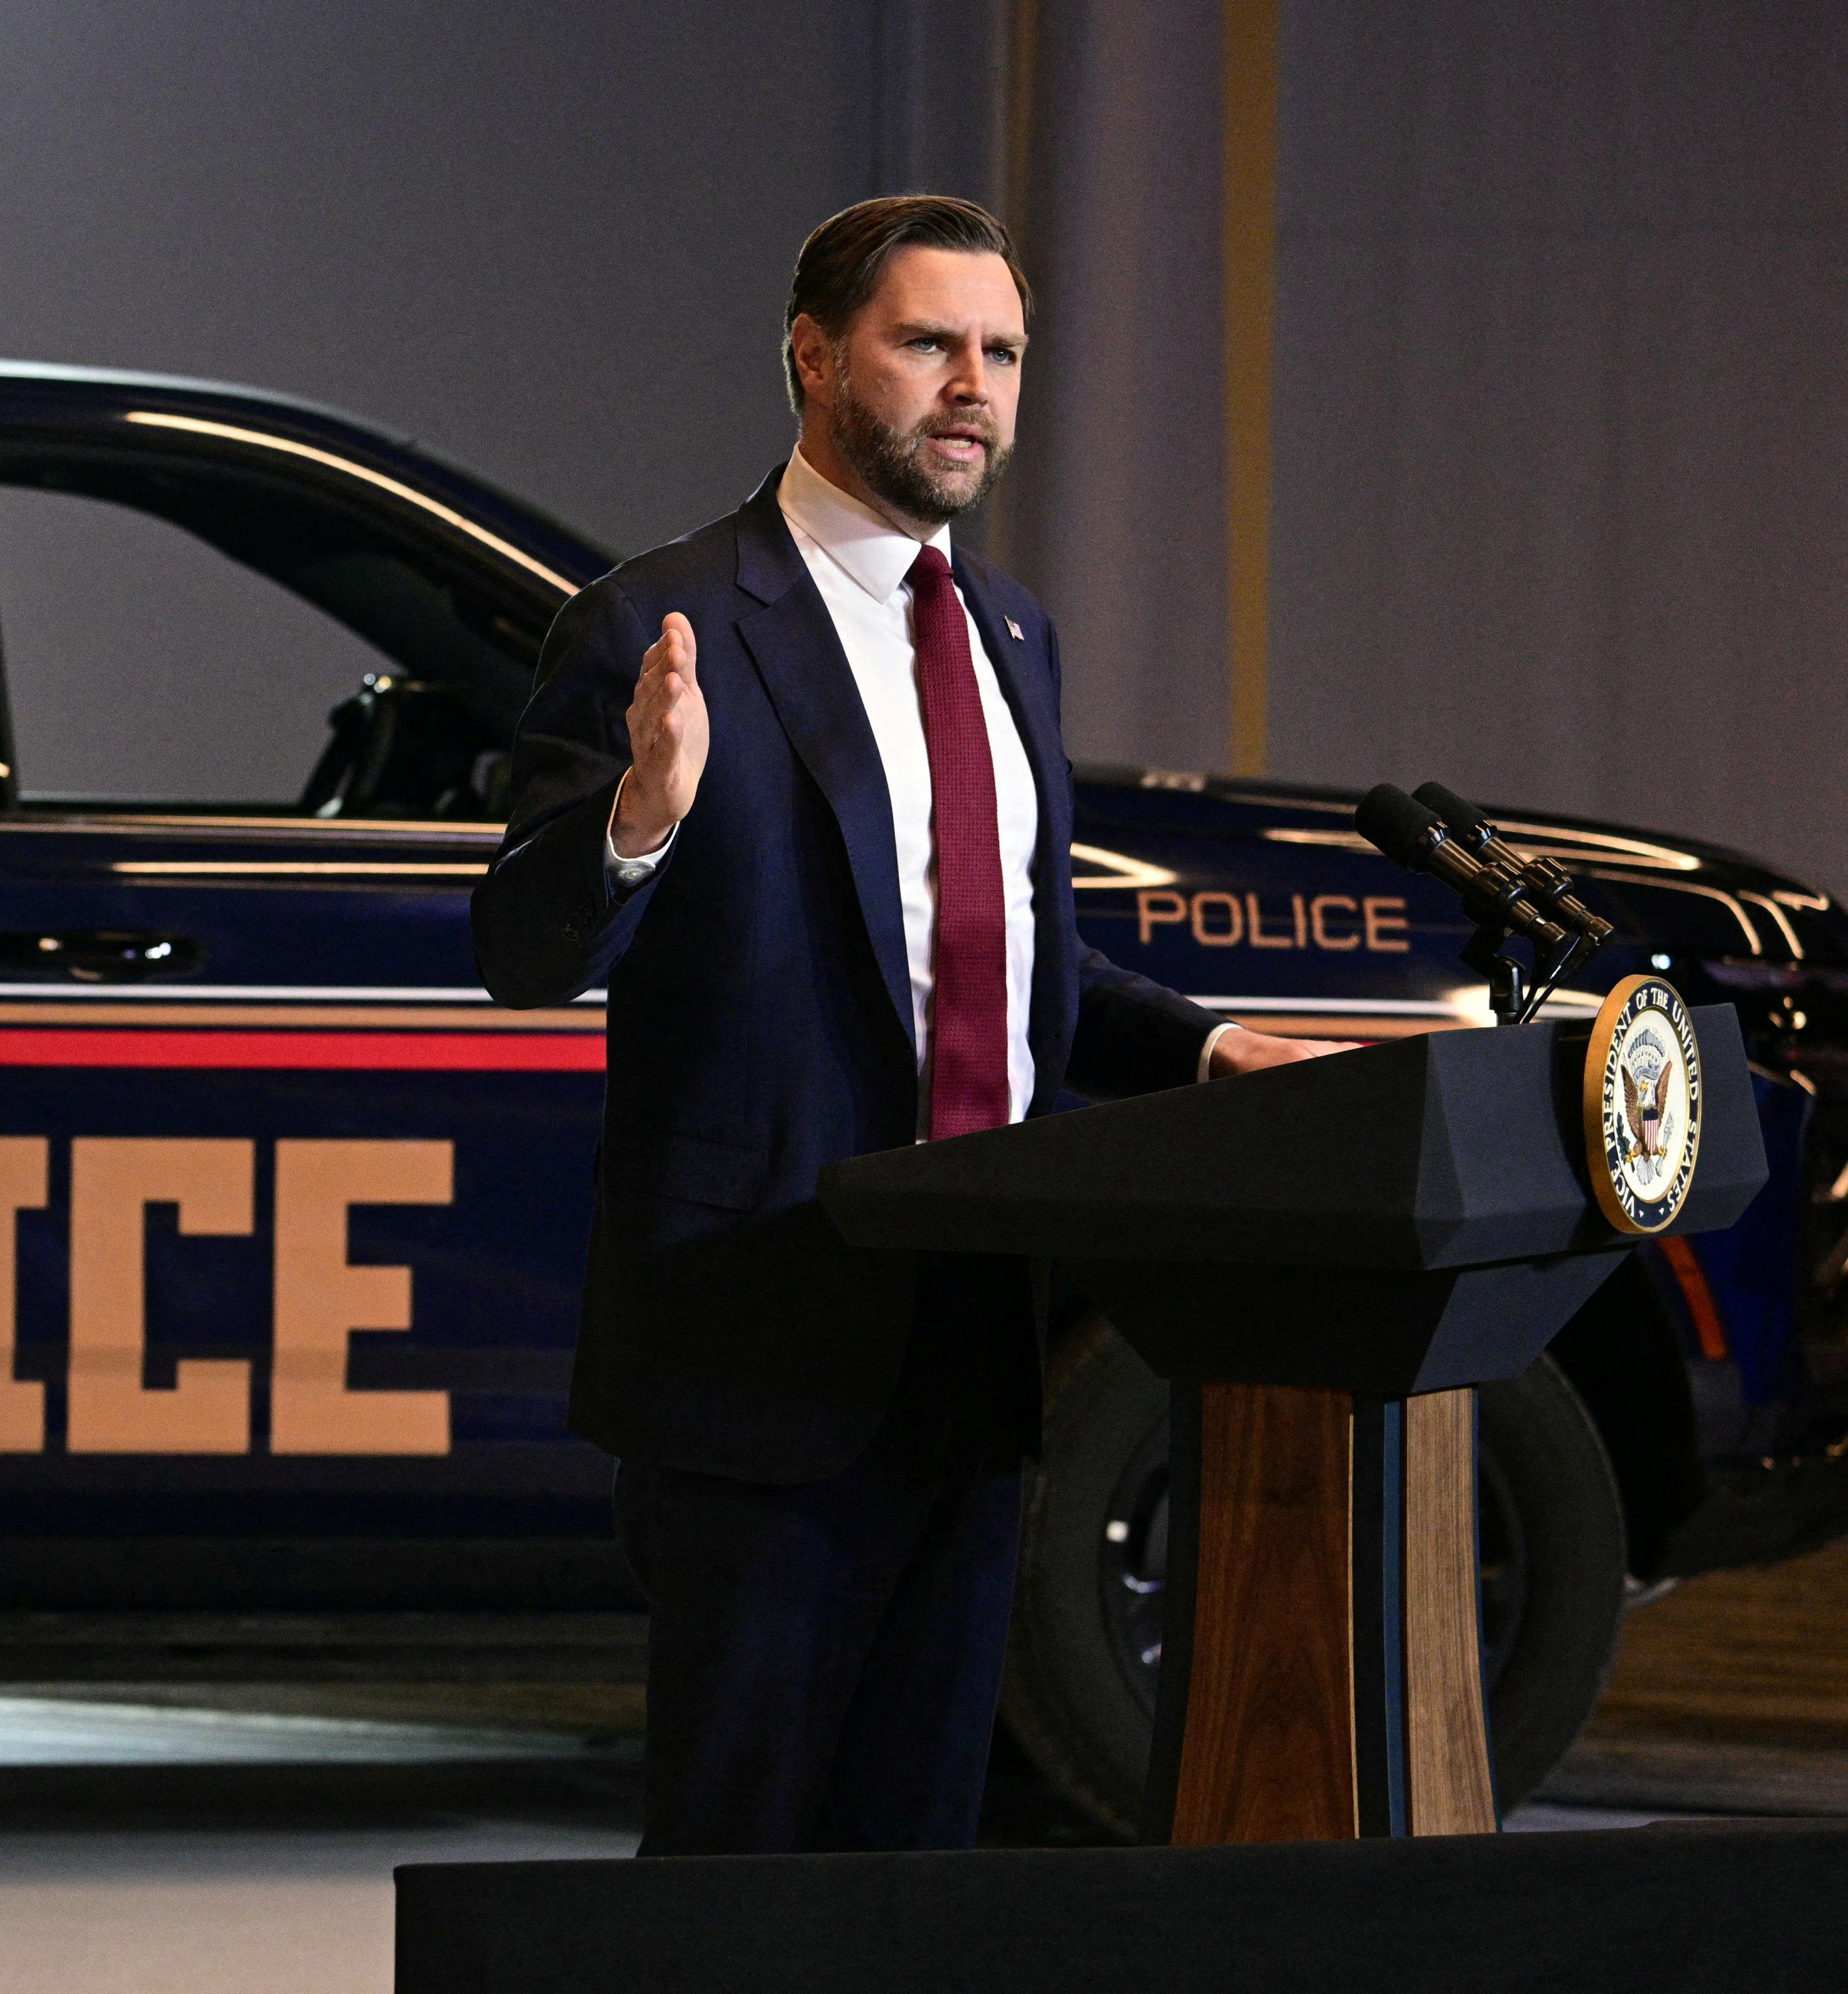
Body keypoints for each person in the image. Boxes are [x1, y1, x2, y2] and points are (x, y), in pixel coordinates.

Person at [472, 198, 1343, 1857]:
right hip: (760, 1352)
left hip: (971, 1352)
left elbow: (1011, 967)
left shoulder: (1008, 635)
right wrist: (637, 819)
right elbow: (520, 950)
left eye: (1000, 353)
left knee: (914, 1875)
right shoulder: (664, 623)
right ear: (810, 354)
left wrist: (1217, 1056)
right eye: (926, 342)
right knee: (733, 1887)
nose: (971, 386)